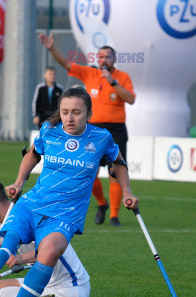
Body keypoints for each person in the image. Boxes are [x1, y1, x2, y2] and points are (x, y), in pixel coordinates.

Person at [0, 87, 139, 297]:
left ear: (89, 113)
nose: (70, 118)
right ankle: (0, 257)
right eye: (65, 112)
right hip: (34, 203)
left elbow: (118, 164)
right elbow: (32, 154)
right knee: (14, 232)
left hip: (64, 215)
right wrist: (19, 182)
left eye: (76, 112)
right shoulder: (48, 130)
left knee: (50, 250)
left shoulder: (101, 138)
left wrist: (127, 192)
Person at [39, 33, 136, 227]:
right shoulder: (90, 73)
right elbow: (67, 65)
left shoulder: (122, 77)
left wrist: (113, 82)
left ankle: (114, 216)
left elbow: (131, 99)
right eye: (100, 57)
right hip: (91, 129)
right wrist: (51, 49)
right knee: (86, 168)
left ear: (114, 59)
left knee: (115, 171)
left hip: (115, 130)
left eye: (107, 57)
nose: (103, 60)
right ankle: (102, 203)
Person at [0, 178, 90, 297]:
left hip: (70, 286)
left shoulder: (28, 216)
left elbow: (50, 250)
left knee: (6, 293)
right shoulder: (7, 223)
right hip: (46, 283)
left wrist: (20, 258)